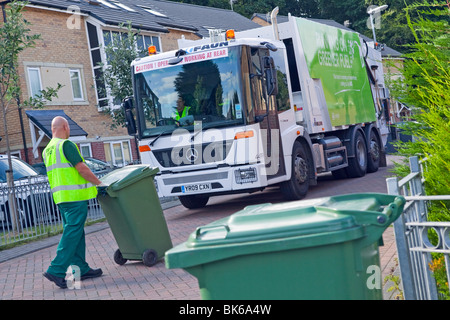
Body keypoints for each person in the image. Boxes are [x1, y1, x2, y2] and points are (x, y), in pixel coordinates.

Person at [42, 116, 104, 289]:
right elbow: (81, 168)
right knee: (72, 232)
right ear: (65, 127)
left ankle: (80, 269)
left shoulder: (47, 149)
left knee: (76, 232)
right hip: (74, 198)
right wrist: (100, 183)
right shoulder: (66, 145)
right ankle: (56, 269)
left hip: (61, 198)